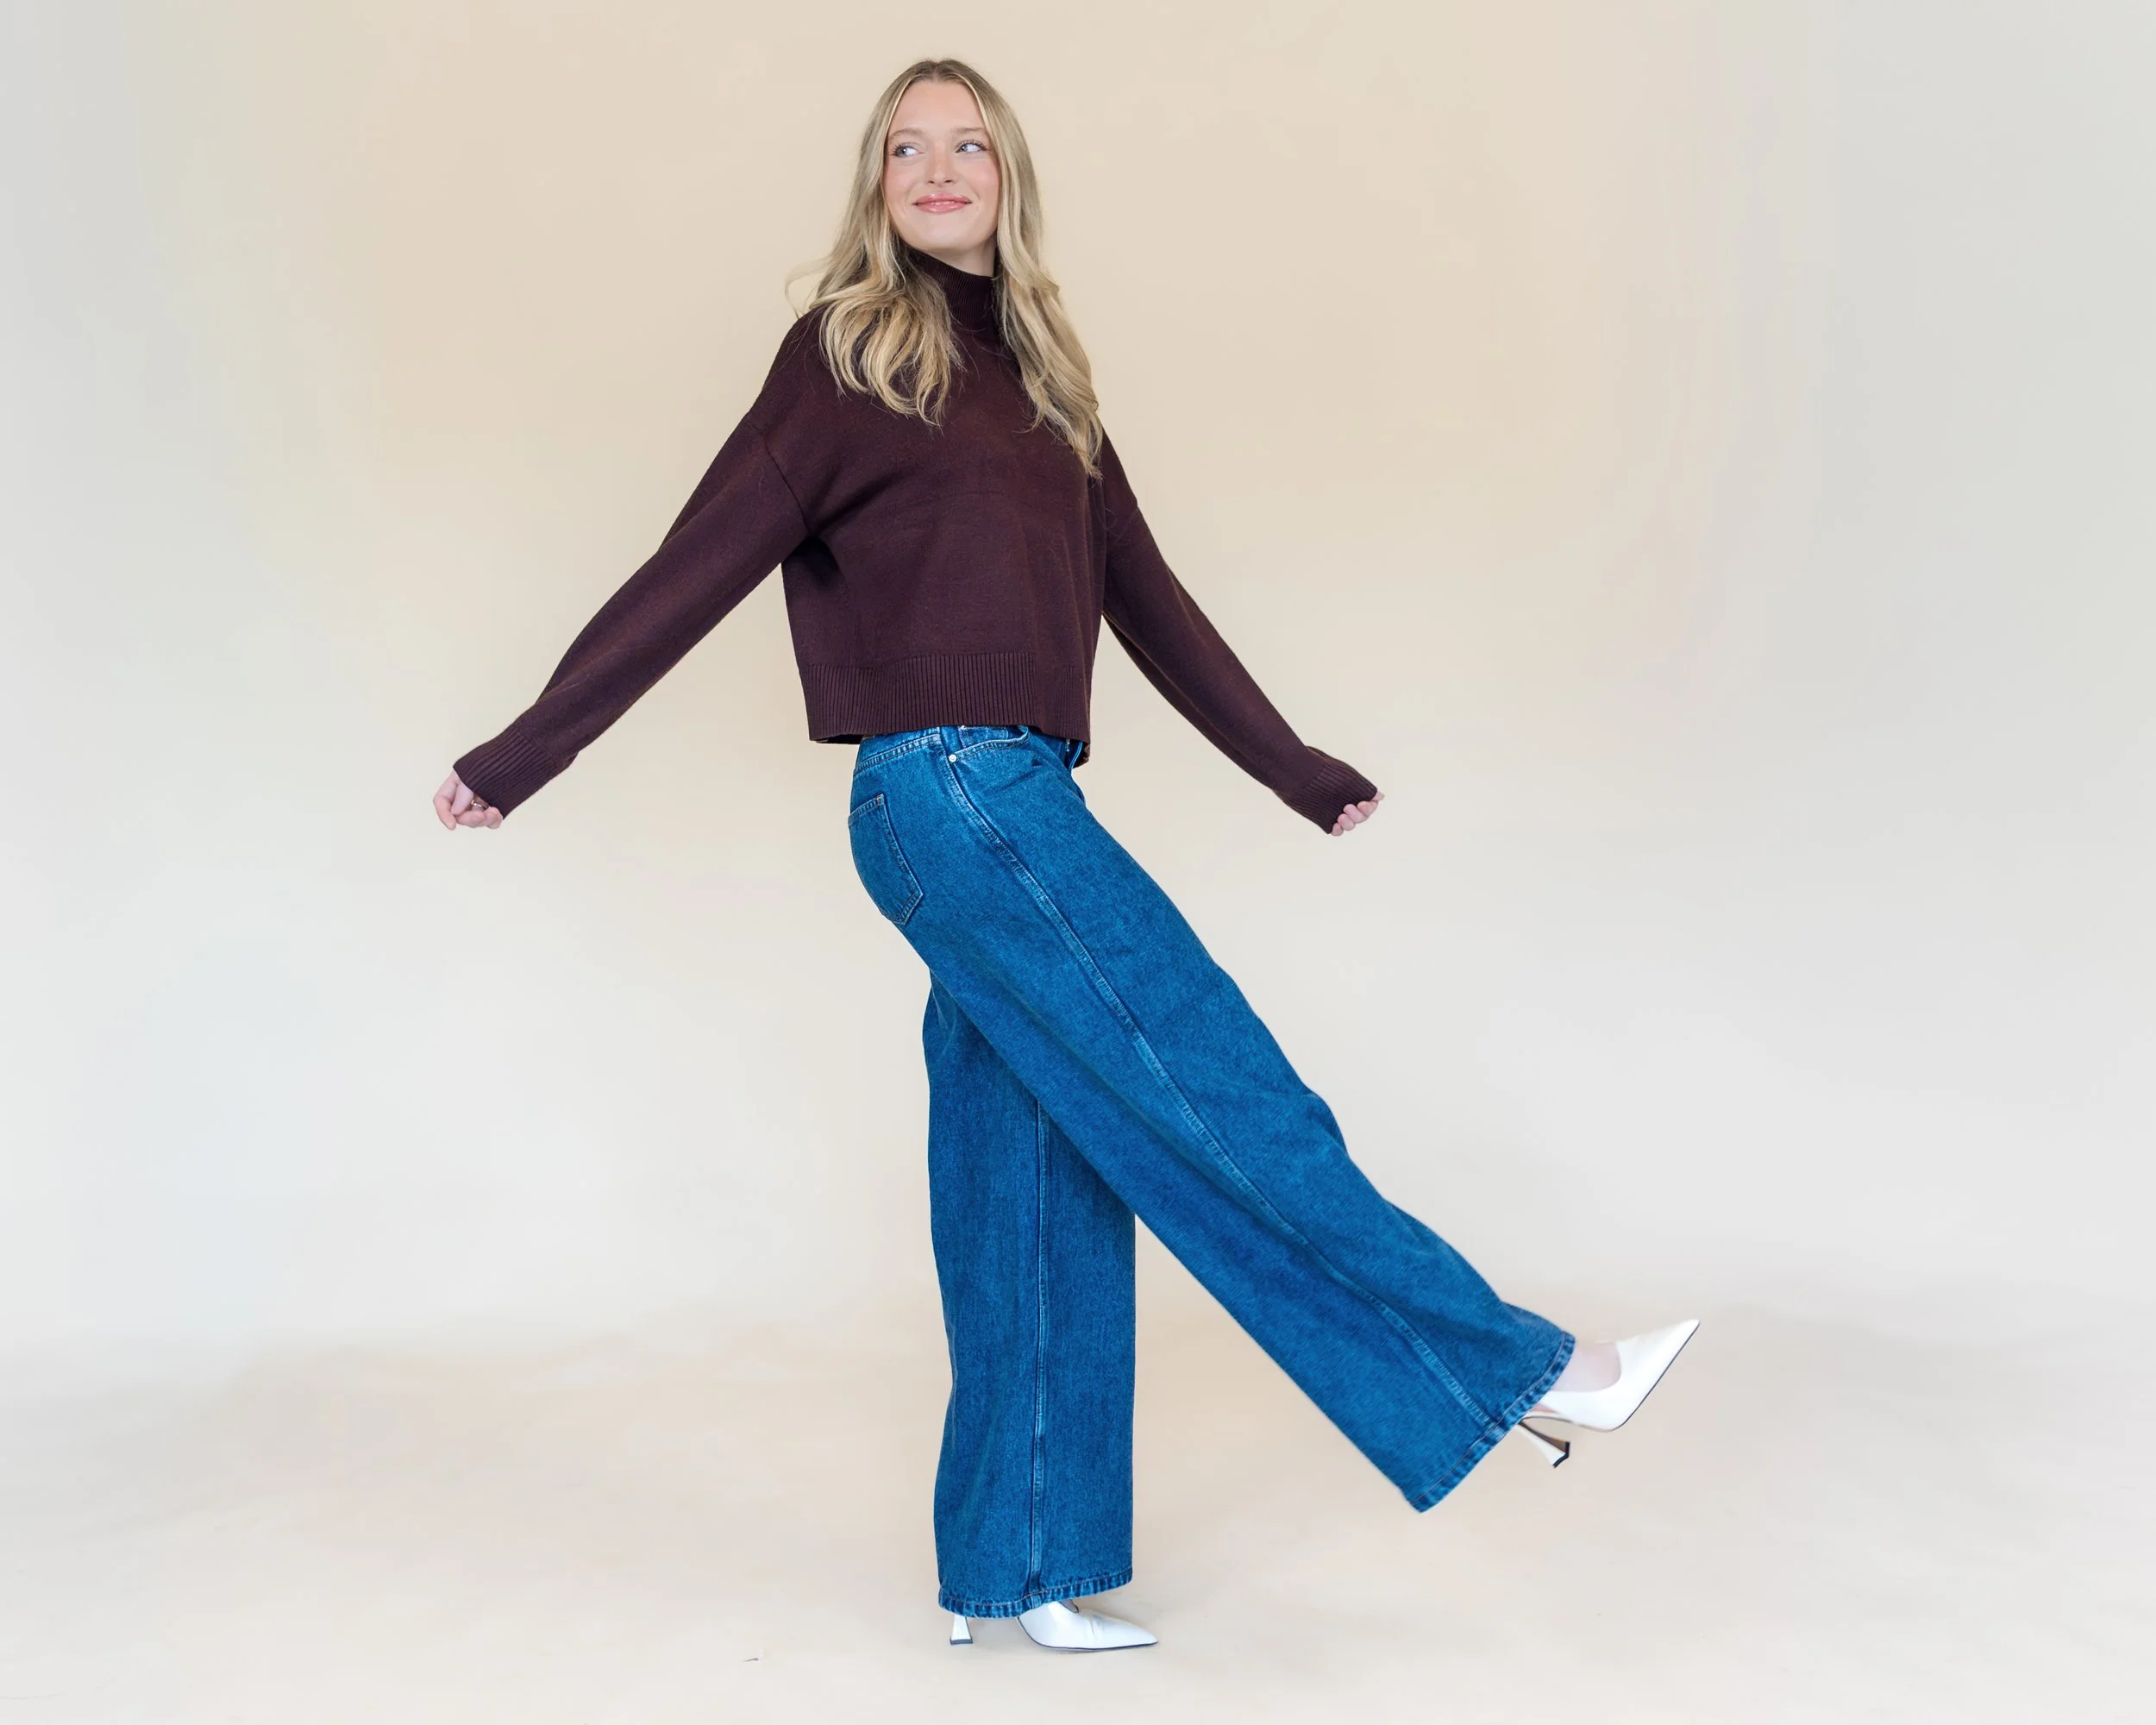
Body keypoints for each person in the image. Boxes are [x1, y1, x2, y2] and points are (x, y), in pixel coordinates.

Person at [433, 57, 1697, 1653]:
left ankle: (1017, 1567)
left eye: (969, 144)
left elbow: (1148, 596)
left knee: (1027, 1181)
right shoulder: (843, 357)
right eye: (908, 147)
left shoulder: (1045, 381)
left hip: (1001, 796)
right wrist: (520, 754)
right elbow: (694, 562)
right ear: (876, 183)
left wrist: (1296, 771)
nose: (938, 168)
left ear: (1009, 178)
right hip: (952, 795)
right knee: (1219, 1090)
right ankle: (1517, 1367)